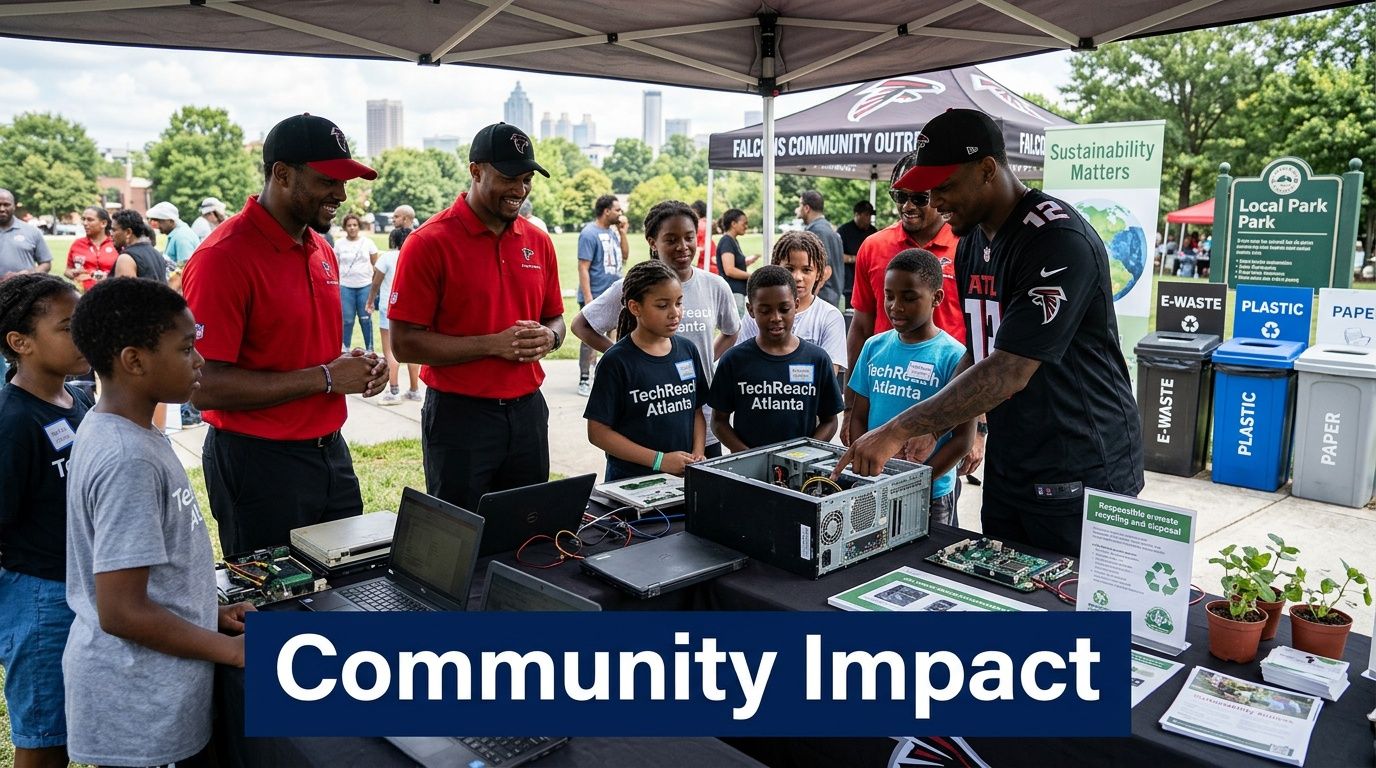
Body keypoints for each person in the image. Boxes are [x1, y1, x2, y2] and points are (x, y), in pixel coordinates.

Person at [836, 108, 1144, 556]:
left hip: (1079, 466)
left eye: (944, 187)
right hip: (1013, 462)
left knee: (1065, 610)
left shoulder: (1056, 239)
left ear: (986, 169)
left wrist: (901, 427)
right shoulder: (975, 243)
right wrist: (938, 422)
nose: (935, 201)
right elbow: (980, 350)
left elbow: (1009, 370)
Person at [65, 277, 252, 768]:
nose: (200, 361)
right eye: (186, 348)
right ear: (134, 360)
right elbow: (122, 611)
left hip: (159, 689)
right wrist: (229, 651)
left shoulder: (126, 428)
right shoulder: (127, 457)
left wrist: (205, 613)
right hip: (141, 708)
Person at [182, 113, 387, 555]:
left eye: (344, 181)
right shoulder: (223, 257)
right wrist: (327, 378)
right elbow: (203, 386)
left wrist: (356, 366)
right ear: (282, 174)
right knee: (275, 603)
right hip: (258, 463)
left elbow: (306, 352)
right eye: (328, 180)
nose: (341, 193)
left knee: (347, 586)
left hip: (330, 453)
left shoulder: (321, 249)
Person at [389, 122, 563, 513]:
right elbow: (403, 343)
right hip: (460, 417)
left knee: (528, 530)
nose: (519, 189)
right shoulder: (428, 242)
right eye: (507, 178)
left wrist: (550, 338)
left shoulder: (538, 242)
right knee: (460, 535)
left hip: (528, 412)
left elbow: (556, 318)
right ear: (475, 170)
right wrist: (492, 344)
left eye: (526, 179)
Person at [0, 274, 92, 768]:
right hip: (40, 600)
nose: (83, 336)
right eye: (67, 327)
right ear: (21, 343)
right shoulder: (13, 422)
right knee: (44, 735)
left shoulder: (78, 400)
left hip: (86, 587)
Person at [573, 200, 740, 458]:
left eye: (689, 237)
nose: (682, 247)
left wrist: (702, 360)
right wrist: (625, 356)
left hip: (699, 420)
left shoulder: (715, 285)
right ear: (653, 242)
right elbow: (581, 324)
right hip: (647, 420)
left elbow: (731, 331)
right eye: (671, 239)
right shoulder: (634, 285)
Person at [848, 250, 974, 526]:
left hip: (930, 495)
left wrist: (917, 480)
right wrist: (866, 468)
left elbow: (963, 439)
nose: (895, 306)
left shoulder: (955, 356)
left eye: (909, 297)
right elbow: (858, 416)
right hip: (875, 486)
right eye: (889, 295)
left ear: (937, 298)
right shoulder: (873, 347)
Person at [584, 260, 706, 480]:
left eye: (679, 303)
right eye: (662, 305)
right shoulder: (616, 361)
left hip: (682, 477)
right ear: (635, 307)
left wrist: (697, 454)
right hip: (631, 481)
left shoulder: (688, 350)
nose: (674, 313)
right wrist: (660, 460)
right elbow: (598, 433)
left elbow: (697, 411)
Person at [709, 265, 843, 451]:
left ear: (795, 305)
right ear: (750, 310)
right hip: (748, 474)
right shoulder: (733, 360)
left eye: (784, 308)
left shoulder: (817, 359)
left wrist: (805, 453)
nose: (776, 317)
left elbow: (830, 421)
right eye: (765, 310)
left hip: (800, 471)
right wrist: (749, 457)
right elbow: (718, 422)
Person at [734, 230, 848, 375]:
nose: (797, 277)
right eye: (789, 269)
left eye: (806, 270)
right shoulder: (758, 312)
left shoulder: (829, 317)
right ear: (776, 266)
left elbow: (828, 375)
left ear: (819, 273)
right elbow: (742, 361)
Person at [576, 194, 629, 396]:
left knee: (613, 340)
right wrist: (588, 298)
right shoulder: (589, 233)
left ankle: (605, 377)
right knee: (589, 339)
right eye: (617, 209)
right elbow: (583, 267)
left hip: (614, 294)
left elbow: (624, 257)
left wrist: (623, 233)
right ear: (606, 211)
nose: (620, 213)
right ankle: (584, 379)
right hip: (595, 294)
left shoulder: (614, 232)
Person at [369, 216, 421, 405]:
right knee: (413, 351)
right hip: (414, 308)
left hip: (389, 308)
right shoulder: (416, 255)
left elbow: (376, 282)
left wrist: (369, 301)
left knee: (390, 351)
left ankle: (394, 391)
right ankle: (415, 390)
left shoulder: (388, 257)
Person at [336, 212, 379, 353]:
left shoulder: (368, 243)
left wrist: (374, 287)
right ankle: (345, 349)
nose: (352, 228)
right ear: (345, 227)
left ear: (359, 226)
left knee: (365, 318)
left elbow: (376, 265)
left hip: (364, 286)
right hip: (345, 287)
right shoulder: (339, 244)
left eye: (355, 225)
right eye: (349, 225)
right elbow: (335, 265)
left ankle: (370, 349)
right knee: (347, 320)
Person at [798, 190, 845, 307]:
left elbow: (822, 268)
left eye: (799, 205)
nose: (797, 209)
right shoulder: (830, 230)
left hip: (822, 297)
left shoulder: (816, 232)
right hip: (832, 295)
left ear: (806, 208)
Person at [715, 208, 762, 316]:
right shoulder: (727, 241)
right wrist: (753, 275)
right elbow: (729, 270)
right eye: (744, 223)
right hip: (733, 291)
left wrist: (747, 261)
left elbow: (734, 263)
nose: (746, 226)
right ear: (733, 224)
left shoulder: (733, 240)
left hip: (738, 291)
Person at [0, 189, 53, 279]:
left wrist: (28, 274)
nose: (2, 209)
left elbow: (46, 263)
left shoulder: (32, 231)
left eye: (6, 205)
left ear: (14, 206)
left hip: (24, 290)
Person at [64, 206, 118, 292]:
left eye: (90, 220)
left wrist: (94, 276)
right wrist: (74, 273)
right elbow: (67, 270)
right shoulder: (77, 244)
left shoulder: (116, 244)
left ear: (103, 223)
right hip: (83, 297)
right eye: (83, 219)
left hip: (111, 294)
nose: (85, 223)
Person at [110, 209, 168, 284]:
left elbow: (124, 293)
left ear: (128, 232)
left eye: (114, 230)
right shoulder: (156, 254)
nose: (111, 234)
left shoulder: (126, 259)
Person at [837, 199, 878, 305]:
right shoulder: (843, 231)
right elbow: (837, 256)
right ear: (857, 214)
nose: (869, 219)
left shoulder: (873, 231)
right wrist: (856, 259)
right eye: (866, 215)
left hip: (869, 283)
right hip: (849, 285)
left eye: (870, 216)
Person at [145, 201, 201, 266]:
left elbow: (184, 267)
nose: (157, 226)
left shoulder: (182, 237)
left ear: (171, 221)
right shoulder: (177, 234)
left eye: (160, 221)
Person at [691, 200, 718, 274]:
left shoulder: (699, 224)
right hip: (710, 257)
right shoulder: (706, 223)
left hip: (704, 260)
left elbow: (700, 246)